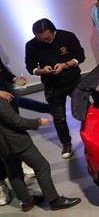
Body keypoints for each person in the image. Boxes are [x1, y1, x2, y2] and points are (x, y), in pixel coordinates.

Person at [0, 96, 82, 211]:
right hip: (16, 142)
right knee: (42, 167)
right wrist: (38, 122)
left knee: (14, 173)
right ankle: (54, 200)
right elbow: (17, 121)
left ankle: (27, 201)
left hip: (2, 147)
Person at [24, 18, 85, 159]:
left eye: (47, 38)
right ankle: (66, 143)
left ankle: (91, 137)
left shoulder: (67, 36)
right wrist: (42, 71)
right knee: (59, 118)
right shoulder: (31, 45)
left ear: (53, 30)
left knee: (85, 112)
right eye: (41, 39)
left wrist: (65, 64)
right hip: (52, 86)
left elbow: (80, 56)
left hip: (74, 81)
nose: (45, 41)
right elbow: (30, 67)